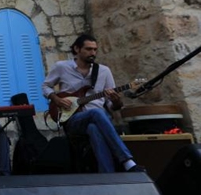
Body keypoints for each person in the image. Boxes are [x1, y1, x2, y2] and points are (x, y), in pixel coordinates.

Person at [42, 33, 145, 173]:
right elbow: (45, 86)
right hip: (72, 119)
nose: (93, 53)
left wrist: (116, 101)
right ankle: (127, 161)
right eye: (89, 49)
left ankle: (107, 174)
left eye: (95, 49)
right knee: (96, 113)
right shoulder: (61, 67)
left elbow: (112, 106)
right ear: (77, 49)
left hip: (98, 120)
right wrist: (56, 99)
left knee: (93, 128)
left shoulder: (104, 71)